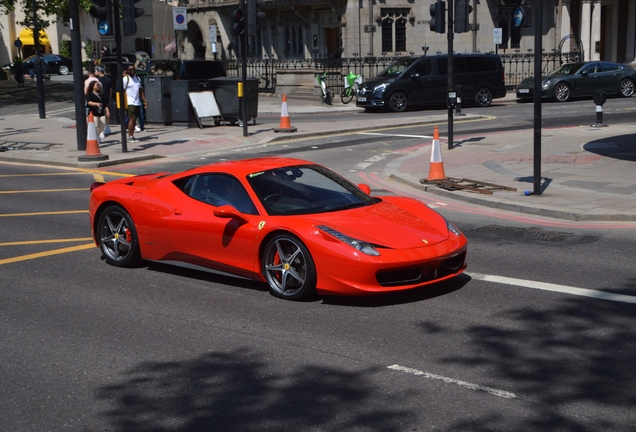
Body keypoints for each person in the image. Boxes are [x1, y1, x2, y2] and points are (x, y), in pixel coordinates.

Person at [123, 65, 147, 142]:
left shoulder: (137, 78)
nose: (132, 71)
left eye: (133, 69)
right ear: (127, 71)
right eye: (130, 70)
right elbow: (122, 91)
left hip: (137, 102)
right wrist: (123, 103)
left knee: (134, 120)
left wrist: (144, 101)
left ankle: (132, 135)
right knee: (132, 118)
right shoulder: (125, 79)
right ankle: (129, 136)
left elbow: (140, 90)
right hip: (129, 102)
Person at [95, 66, 112, 138]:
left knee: (100, 113)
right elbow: (110, 89)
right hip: (107, 97)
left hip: (100, 98)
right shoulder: (108, 79)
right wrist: (109, 98)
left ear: (99, 71)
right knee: (106, 112)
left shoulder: (97, 80)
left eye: (96, 71)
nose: (95, 72)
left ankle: (101, 130)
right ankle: (107, 127)